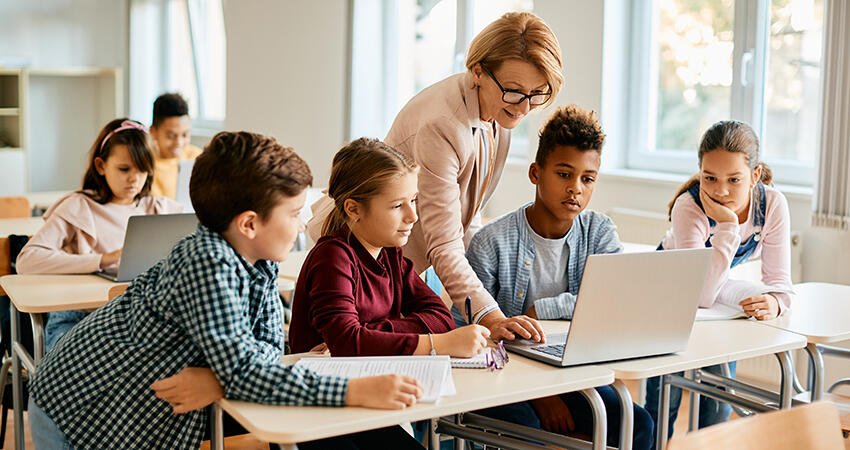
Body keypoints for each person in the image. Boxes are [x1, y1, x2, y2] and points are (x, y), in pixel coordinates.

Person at [26, 131, 425, 450]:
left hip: (141, 411)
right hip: (80, 411)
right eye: (292, 213)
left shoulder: (262, 259)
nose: (303, 224)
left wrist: (226, 379)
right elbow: (253, 369)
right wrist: (355, 389)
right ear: (249, 224)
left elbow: (268, 351)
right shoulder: (207, 262)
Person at [309, 12, 562, 343]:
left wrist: (492, 302)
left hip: (397, 264)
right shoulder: (443, 123)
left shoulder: (501, 113)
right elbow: (444, 241)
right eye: (514, 91)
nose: (525, 107)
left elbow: (465, 223)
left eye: (537, 93)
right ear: (478, 72)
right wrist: (490, 314)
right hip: (359, 257)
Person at [466, 105, 654, 449]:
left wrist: (543, 309)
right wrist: (541, 396)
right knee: (527, 425)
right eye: (564, 174)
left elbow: (612, 302)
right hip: (508, 381)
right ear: (536, 172)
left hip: (575, 376)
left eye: (588, 178)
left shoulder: (598, 231)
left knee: (637, 420)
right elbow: (474, 336)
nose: (576, 189)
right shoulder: (491, 243)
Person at [645, 120, 793, 445]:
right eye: (709, 177)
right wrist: (727, 225)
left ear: (755, 175)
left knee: (717, 401)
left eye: (734, 179)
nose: (720, 190)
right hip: (670, 290)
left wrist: (776, 301)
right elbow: (699, 293)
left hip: (712, 292)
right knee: (663, 403)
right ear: (699, 170)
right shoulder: (690, 206)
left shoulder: (773, 205)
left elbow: (780, 282)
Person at [289, 138, 490, 358]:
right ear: (353, 209)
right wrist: (438, 344)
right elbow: (347, 342)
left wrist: (367, 335)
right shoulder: (332, 257)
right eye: (397, 206)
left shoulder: (390, 253)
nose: (413, 216)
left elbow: (441, 318)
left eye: (413, 200)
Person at [16, 118, 182, 350]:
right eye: (124, 169)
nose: (134, 179)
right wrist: (103, 259)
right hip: (78, 317)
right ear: (101, 166)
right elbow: (27, 261)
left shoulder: (160, 209)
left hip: (136, 318)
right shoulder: (77, 206)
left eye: (143, 170)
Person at [149, 92, 203, 200]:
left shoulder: (198, 157)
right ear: (153, 132)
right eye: (171, 136)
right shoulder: (146, 165)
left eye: (185, 134)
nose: (179, 142)